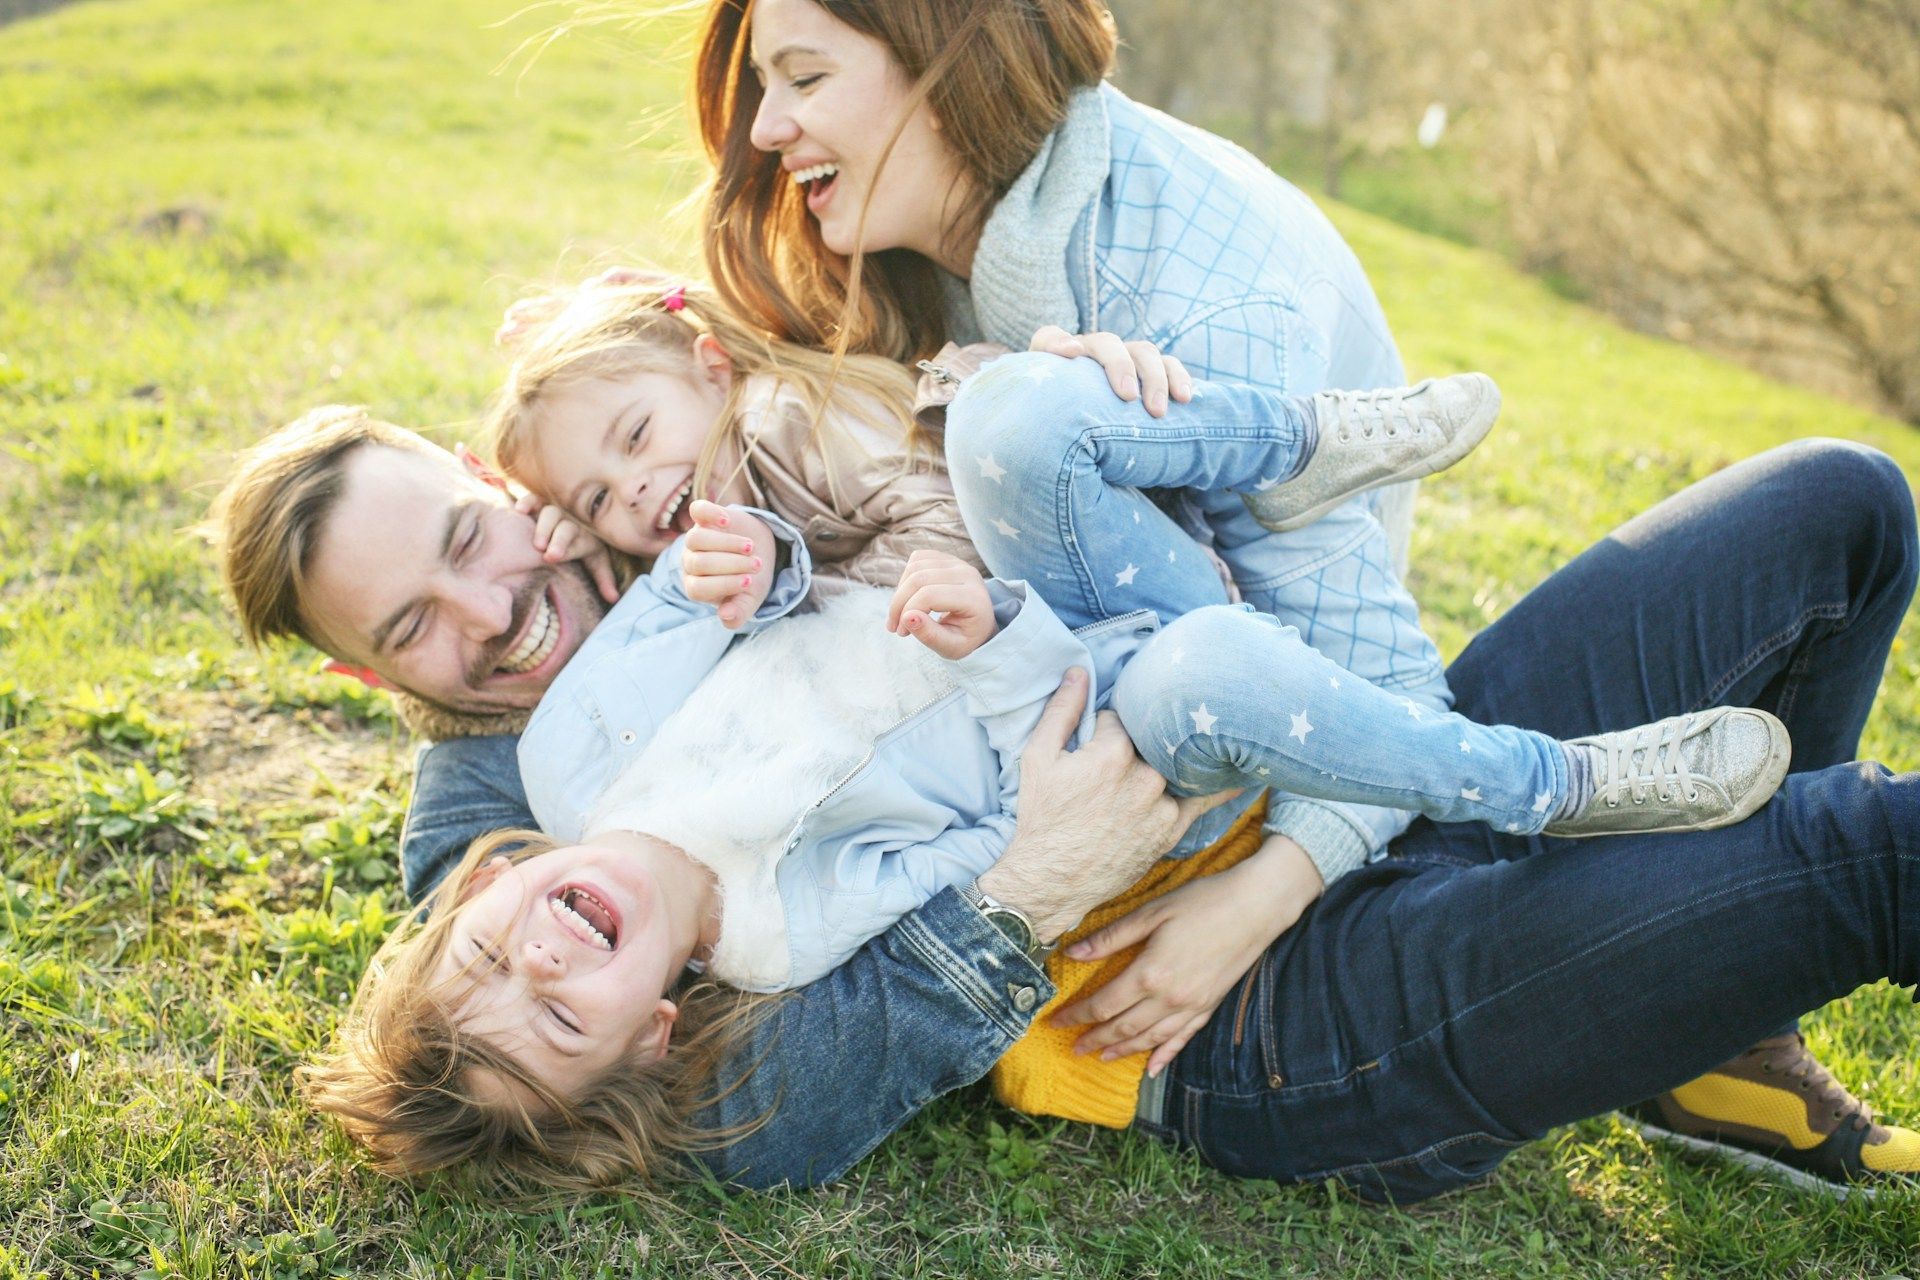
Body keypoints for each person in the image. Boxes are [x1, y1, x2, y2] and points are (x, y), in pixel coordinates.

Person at [209, 392, 1920, 1199]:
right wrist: (1026, 888)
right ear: (371, 683)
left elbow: (945, 415)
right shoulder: (495, 819)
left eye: (464, 544)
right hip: (1230, 1013)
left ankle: (1707, 1020)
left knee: (1845, 508)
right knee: (1865, 853)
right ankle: (1684, 954)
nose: (493, 613)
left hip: (1306, 785)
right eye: (415, 630)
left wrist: (1079, 387)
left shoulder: (670, 473)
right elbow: (713, 1112)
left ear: (484, 473)